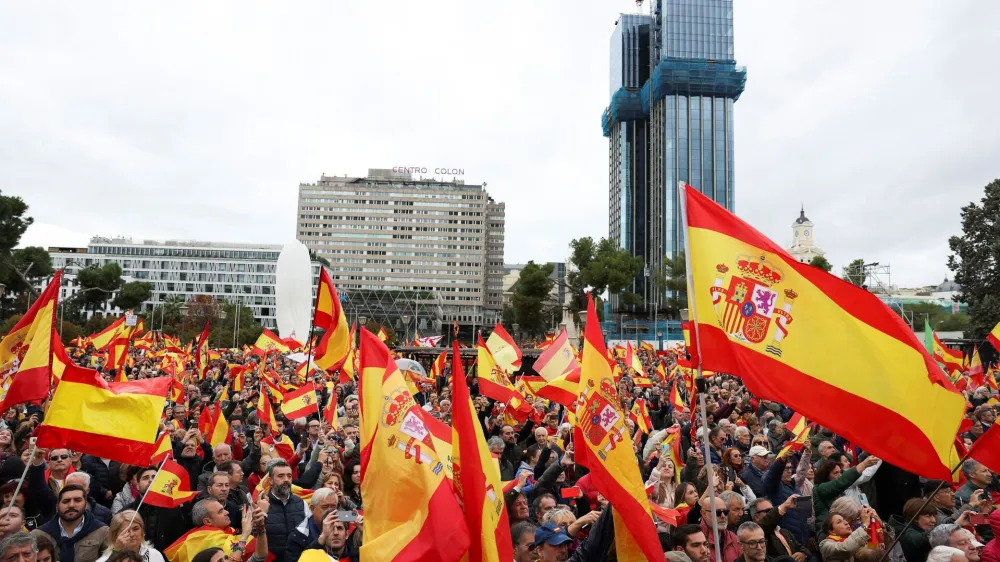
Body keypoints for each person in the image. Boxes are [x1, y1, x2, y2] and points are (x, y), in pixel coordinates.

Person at [31, 485, 109, 562]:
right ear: (57, 506)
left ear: (85, 504)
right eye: (66, 501)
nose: (71, 505)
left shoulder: (102, 531)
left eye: (77, 500)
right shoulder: (38, 534)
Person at [259, 459, 306, 562]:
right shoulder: (261, 505)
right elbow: (254, 537)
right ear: (270, 480)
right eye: (281, 476)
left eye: (289, 476)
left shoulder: (301, 503)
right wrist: (262, 515)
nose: (286, 480)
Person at [286, 488, 340, 561]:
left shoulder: (342, 525)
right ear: (312, 508)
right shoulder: (297, 535)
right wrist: (320, 540)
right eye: (325, 507)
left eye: (333, 507)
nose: (329, 511)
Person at [749, 496, 806, 562]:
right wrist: (783, 506)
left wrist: (803, 554)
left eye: (772, 510)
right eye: (768, 511)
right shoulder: (757, 535)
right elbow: (765, 524)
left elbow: (801, 547)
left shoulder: (784, 532)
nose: (772, 513)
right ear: (756, 517)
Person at [93, 511, 165, 562]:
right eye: (125, 531)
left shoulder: (155, 555)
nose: (132, 534)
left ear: (142, 530)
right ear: (115, 535)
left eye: (136, 529)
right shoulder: (106, 558)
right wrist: (116, 552)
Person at [700, 495, 741, 562]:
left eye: (725, 512)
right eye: (717, 513)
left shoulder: (733, 537)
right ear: (704, 514)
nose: (723, 516)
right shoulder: (696, 539)